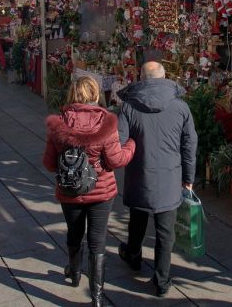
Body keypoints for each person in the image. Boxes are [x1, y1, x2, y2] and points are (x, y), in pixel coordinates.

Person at [43, 76, 136, 307]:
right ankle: (96, 297)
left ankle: (74, 274)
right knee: (98, 241)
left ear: (72, 94)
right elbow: (115, 160)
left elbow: (49, 163)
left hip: (70, 191)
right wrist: (131, 146)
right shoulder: (106, 122)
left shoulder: (59, 124)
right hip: (101, 191)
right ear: (95, 94)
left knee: (74, 234)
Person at [117, 61, 198, 298]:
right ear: (165, 78)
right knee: (165, 232)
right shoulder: (181, 108)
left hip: (139, 173)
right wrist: (189, 177)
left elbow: (120, 142)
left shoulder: (129, 107)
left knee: (138, 219)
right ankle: (162, 280)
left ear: (141, 78)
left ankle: (133, 255)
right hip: (170, 176)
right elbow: (189, 144)